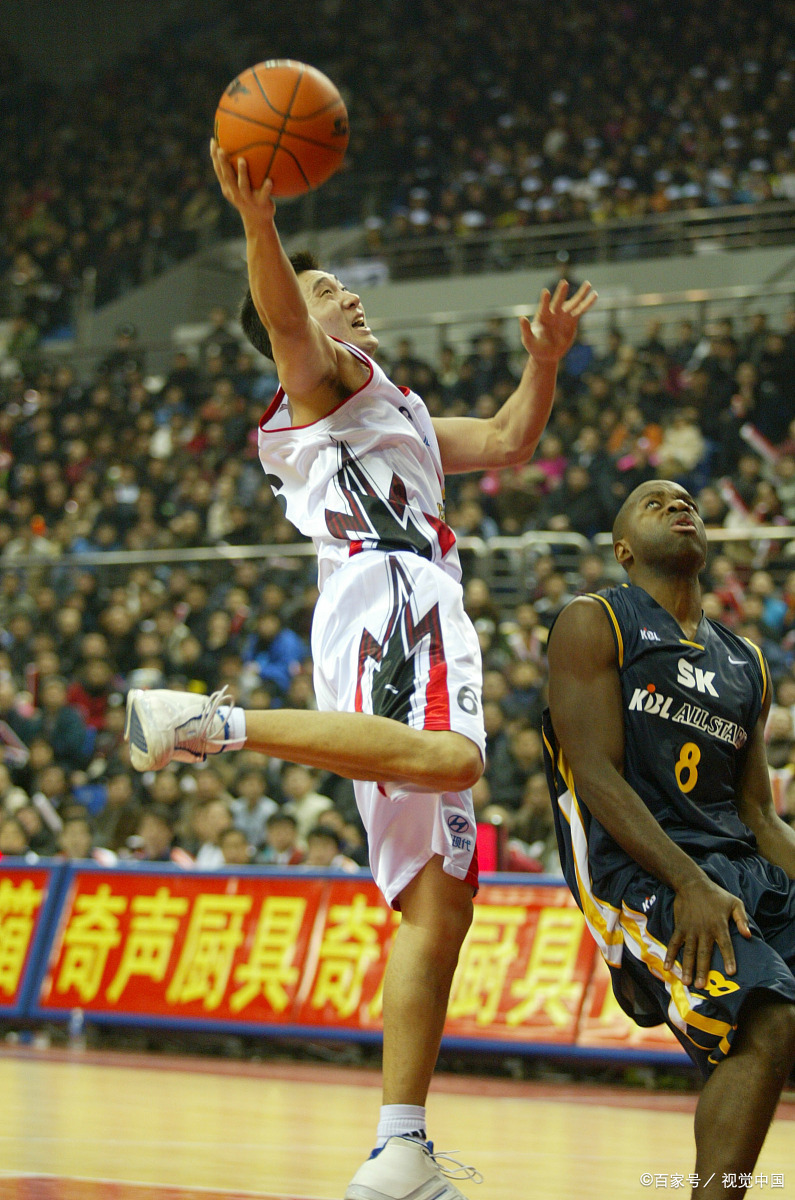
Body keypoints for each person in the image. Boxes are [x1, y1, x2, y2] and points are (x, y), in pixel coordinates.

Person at [125, 140, 596, 1200]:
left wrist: (548, 360)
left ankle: (401, 1146)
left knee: (443, 900)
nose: (343, 300)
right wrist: (261, 228)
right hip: (391, 596)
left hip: (404, 601)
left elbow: (516, 441)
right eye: (328, 291)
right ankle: (212, 724)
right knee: (455, 759)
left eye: (337, 288)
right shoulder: (323, 378)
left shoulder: (402, 411)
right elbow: (285, 321)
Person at [543, 479, 795, 1200]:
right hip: (637, 875)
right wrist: (687, 882)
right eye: (654, 502)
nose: (678, 505)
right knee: (767, 1020)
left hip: (734, 870)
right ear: (623, 549)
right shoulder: (596, 622)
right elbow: (591, 773)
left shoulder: (743, 659)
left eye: (686, 501)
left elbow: (758, 814)